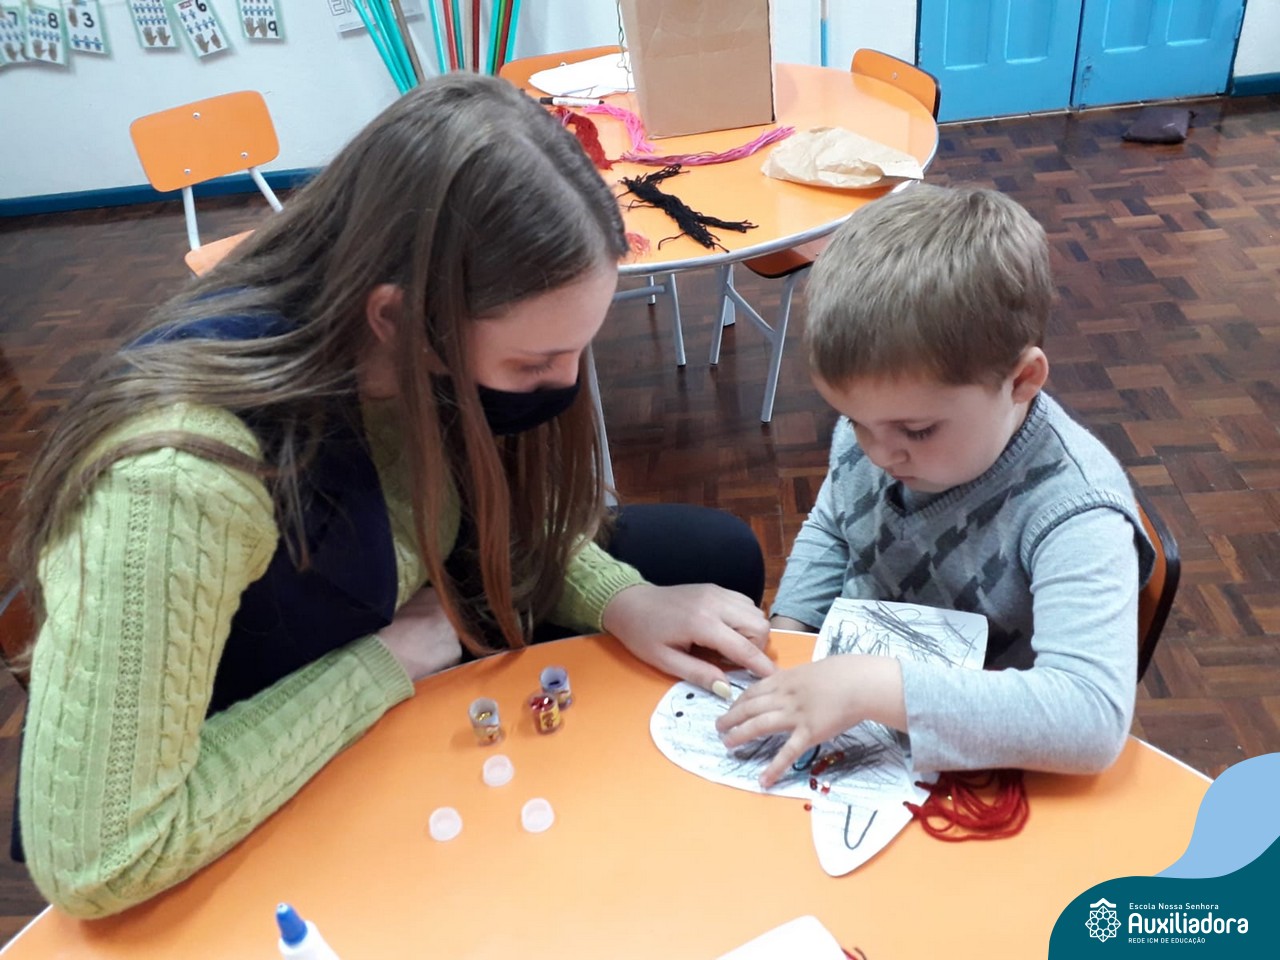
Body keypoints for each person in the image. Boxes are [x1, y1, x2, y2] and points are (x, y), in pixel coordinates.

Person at [13, 73, 772, 919]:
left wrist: (622, 598)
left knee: (709, 557)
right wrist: (383, 665)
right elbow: (100, 857)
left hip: (393, 620)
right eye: (533, 364)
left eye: (577, 352)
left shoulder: (402, 354)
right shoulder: (176, 483)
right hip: (252, 727)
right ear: (399, 318)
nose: (564, 387)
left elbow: (482, 521)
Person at [717, 184, 1154, 788]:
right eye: (854, 421)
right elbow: (835, 526)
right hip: (859, 726)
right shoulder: (883, 420)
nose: (878, 452)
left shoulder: (1074, 512)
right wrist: (791, 638)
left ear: (1022, 380)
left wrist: (874, 687)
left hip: (986, 770)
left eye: (917, 431)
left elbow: (1090, 720)